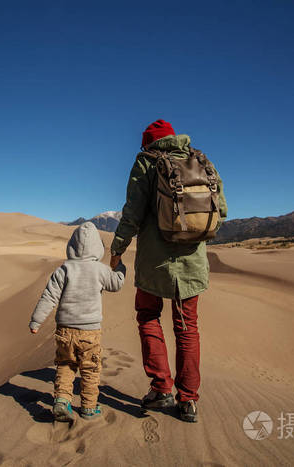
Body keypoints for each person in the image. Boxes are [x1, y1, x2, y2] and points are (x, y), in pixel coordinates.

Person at [109, 120, 227, 423]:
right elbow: (221, 210)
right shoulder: (201, 161)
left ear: (149, 143)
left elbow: (132, 213)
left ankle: (161, 388)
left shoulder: (146, 163)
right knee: (187, 329)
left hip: (153, 262)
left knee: (148, 316)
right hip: (193, 263)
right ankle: (188, 400)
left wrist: (117, 248)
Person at [29, 221, 126, 421]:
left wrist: (36, 322)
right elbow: (117, 284)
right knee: (90, 369)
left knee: (65, 365)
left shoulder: (63, 270)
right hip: (90, 333)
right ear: (97, 248)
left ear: (71, 246)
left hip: (64, 331)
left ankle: (62, 401)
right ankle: (89, 408)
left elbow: (49, 297)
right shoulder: (100, 269)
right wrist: (120, 267)